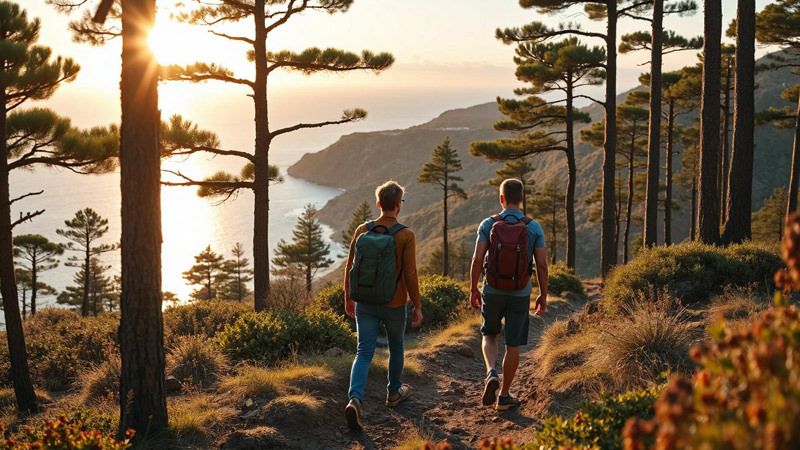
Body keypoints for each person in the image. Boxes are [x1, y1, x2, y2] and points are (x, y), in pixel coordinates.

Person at [343, 180, 423, 431]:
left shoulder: (361, 230)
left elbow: (350, 268)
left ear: (379, 203)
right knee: (396, 347)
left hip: (365, 301)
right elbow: (410, 273)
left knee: (363, 351)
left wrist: (348, 298)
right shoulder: (405, 235)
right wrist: (417, 305)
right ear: (398, 206)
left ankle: (355, 398)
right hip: (395, 303)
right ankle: (394, 392)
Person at [469, 178, 548, 411]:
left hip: (492, 289)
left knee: (489, 334)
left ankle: (491, 372)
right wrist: (543, 294)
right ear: (520, 199)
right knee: (513, 345)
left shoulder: (488, 224)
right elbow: (542, 264)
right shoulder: (533, 227)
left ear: (501, 198)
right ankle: (504, 396)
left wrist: (474, 288)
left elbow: (477, 258)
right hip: (520, 293)